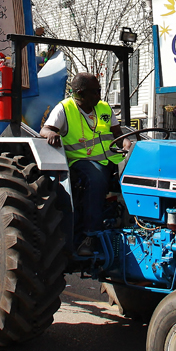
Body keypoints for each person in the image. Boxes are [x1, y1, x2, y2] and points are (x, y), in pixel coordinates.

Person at [40, 72, 132, 256]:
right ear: (80, 93)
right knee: (96, 179)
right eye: (95, 92)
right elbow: (45, 129)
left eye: (99, 91)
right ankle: (89, 236)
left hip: (111, 159)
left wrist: (127, 145)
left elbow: (118, 135)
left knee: (137, 174)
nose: (99, 95)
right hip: (81, 161)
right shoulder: (64, 109)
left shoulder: (104, 108)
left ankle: (133, 227)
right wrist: (50, 134)